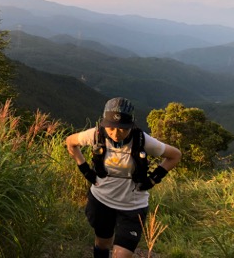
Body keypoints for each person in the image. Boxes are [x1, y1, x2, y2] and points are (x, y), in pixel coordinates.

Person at [65, 97, 181, 258]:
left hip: (132, 206)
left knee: (121, 254)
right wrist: (85, 169)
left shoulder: (141, 140)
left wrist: (154, 178)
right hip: (101, 200)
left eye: (122, 128)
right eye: (111, 128)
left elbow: (175, 155)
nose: (116, 133)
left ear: (131, 125)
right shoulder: (97, 135)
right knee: (102, 243)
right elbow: (70, 142)